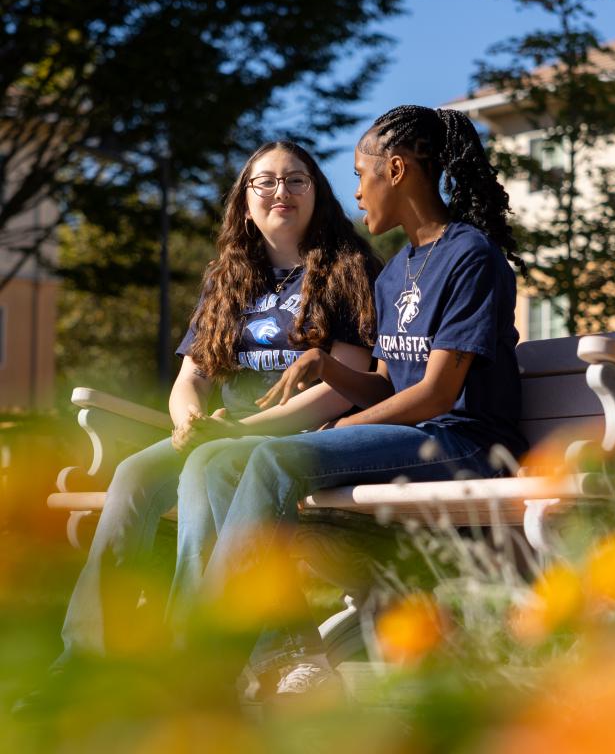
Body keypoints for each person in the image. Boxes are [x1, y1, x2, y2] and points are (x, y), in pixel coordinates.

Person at [187, 105, 529, 697]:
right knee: (221, 463)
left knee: (274, 457)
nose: (355, 192)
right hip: (419, 438)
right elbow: (390, 384)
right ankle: (288, 651)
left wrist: (326, 435)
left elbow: (437, 392)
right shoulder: (396, 271)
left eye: (359, 173)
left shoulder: (469, 255)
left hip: (468, 443)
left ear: (395, 170)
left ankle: (204, 662)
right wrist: (328, 369)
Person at [52, 140, 381, 673]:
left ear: (317, 193)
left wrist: (240, 431)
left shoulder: (349, 270)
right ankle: (85, 658)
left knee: (202, 476)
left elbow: (344, 385)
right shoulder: (229, 277)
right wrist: (188, 422)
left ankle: (189, 652)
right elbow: (192, 376)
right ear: (244, 201)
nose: (282, 191)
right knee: (135, 473)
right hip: (219, 430)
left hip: (300, 438)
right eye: (266, 181)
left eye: (297, 180)